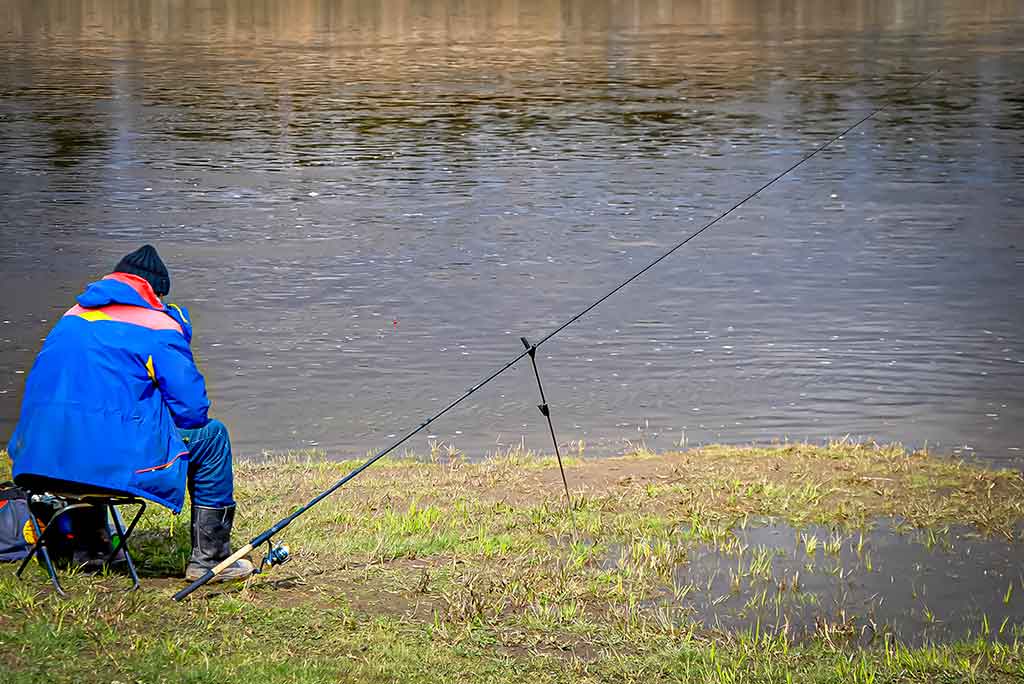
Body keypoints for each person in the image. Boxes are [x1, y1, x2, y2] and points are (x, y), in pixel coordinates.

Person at [7, 245, 254, 582]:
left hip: (37, 463)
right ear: (156, 292)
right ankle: (210, 559)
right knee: (211, 438)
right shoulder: (156, 324)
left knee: (90, 432)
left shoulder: (72, 316)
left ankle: (91, 545)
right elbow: (192, 411)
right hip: (95, 465)